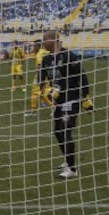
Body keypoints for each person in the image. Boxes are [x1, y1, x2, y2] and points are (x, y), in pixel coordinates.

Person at [40, 31, 93, 178]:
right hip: (58, 102)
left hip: (72, 98)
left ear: (54, 40)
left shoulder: (69, 56)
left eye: (45, 40)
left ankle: (72, 169)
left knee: (65, 131)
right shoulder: (46, 59)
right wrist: (47, 90)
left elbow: (81, 76)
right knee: (58, 132)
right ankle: (68, 160)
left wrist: (86, 98)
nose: (43, 43)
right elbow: (40, 78)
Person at [25, 40, 53, 117]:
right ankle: (33, 111)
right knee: (41, 93)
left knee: (40, 93)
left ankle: (53, 106)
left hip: (41, 76)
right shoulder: (46, 52)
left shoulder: (39, 54)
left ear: (38, 46)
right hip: (48, 75)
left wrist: (39, 74)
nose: (33, 47)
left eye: (34, 46)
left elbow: (40, 67)